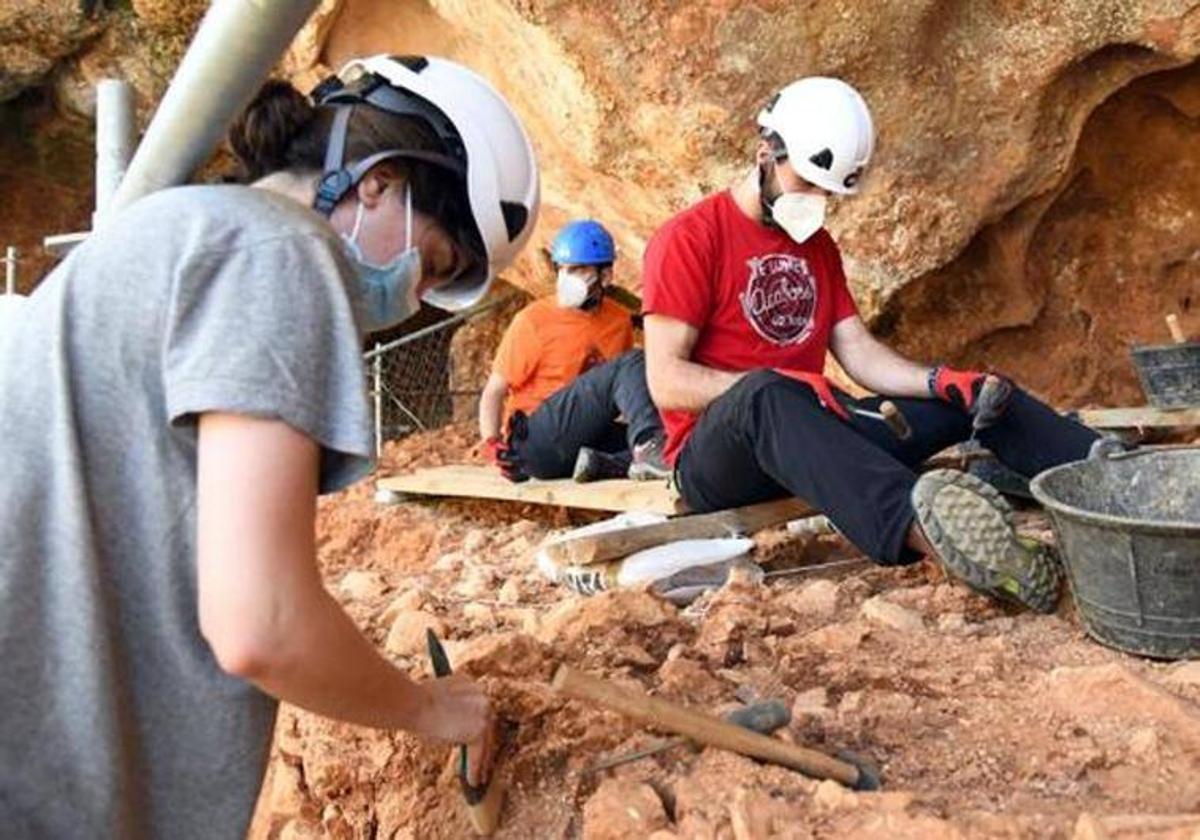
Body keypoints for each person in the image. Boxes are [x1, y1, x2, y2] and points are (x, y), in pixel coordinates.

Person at [0, 54, 538, 839]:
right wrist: (429, 708)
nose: (413, 296)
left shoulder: (182, 232)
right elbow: (263, 624)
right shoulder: (278, 251)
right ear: (380, 180)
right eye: (431, 262)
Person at [641, 76, 1099, 613]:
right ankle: (941, 540)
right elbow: (666, 381)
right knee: (767, 394)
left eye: (827, 193)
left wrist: (940, 382)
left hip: (817, 436)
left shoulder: (817, 246)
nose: (815, 202)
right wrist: (780, 386)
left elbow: (857, 351)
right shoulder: (689, 239)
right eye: (806, 185)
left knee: (982, 395)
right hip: (716, 460)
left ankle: (1110, 478)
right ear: (766, 152)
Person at [479, 219, 670, 483]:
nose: (567, 278)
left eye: (578, 270)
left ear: (605, 276)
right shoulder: (533, 320)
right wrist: (491, 442)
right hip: (536, 438)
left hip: (579, 439)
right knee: (634, 364)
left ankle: (606, 464)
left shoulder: (618, 320)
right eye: (563, 269)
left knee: (677, 441)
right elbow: (494, 390)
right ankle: (648, 447)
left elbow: (620, 395)